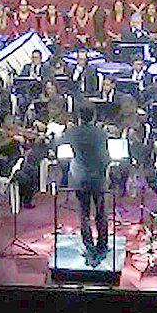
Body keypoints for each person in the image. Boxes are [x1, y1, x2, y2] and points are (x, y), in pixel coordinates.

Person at [61, 104, 112, 265]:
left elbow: (57, 142)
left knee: (83, 213)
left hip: (79, 177)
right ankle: (102, 245)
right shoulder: (101, 133)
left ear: (80, 116)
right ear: (94, 116)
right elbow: (106, 158)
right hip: (98, 178)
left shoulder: (72, 132)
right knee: (101, 213)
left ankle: (89, 247)